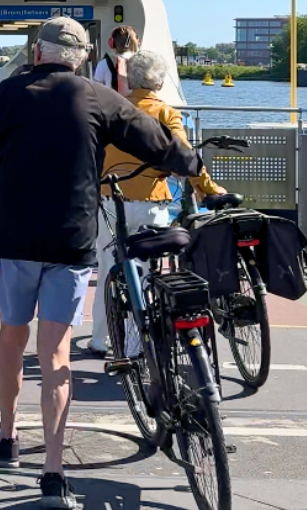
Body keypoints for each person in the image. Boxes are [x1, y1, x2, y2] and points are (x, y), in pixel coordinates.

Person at [0, 16, 202, 510]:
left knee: (14, 335)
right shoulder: (96, 96)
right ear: (81, 58)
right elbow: (155, 141)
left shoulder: (8, 95)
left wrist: (10, 194)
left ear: (38, 52)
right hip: (71, 237)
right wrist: (192, 165)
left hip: (14, 235)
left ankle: (7, 437)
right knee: (56, 355)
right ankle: (53, 474)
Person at [88, 50, 230, 356]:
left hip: (111, 199)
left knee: (109, 268)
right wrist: (207, 188)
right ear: (160, 81)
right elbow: (185, 156)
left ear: (128, 79)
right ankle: (135, 344)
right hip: (152, 200)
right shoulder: (165, 113)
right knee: (146, 272)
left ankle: (100, 338)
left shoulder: (112, 109)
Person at [90, 26, 140, 93]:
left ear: (112, 43)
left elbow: (96, 89)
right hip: (134, 102)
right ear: (137, 42)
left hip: (111, 102)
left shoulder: (103, 63)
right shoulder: (141, 63)